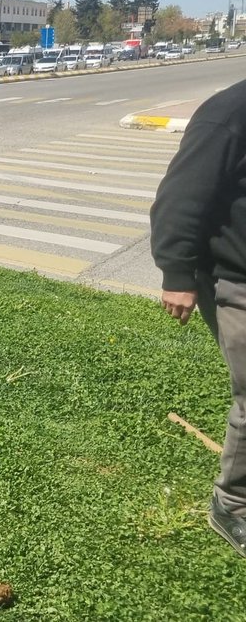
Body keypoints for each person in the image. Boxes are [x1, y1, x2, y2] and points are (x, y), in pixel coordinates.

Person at [151, 79, 246, 558]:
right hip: (236, 280)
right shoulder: (229, 113)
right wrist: (177, 274)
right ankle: (232, 504)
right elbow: (180, 197)